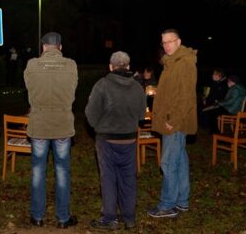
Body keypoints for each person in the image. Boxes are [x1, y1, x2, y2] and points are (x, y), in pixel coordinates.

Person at [85, 51, 146, 230]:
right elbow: (142, 115)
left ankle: (109, 218)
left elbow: (90, 113)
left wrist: (99, 127)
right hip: (129, 140)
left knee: (108, 178)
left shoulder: (102, 85)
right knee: (128, 179)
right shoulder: (137, 87)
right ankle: (129, 218)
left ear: (111, 67)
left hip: (107, 140)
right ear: (128, 66)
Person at [24, 32, 78, 229]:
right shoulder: (71, 65)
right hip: (62, 125)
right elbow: (73, 90)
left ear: (43, 47)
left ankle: (37, 216)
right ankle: (63, 218)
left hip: (39, 125)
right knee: (62, 171)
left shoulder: (32, 65)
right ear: (60, 47)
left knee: (38, 171)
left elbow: (29, 88)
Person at [147, 29, 197, 219]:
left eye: (170, 41)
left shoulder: (183, 63)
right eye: (164, 42)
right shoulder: (173, 62)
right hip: (173, 120)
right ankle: (182, 200)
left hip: (175, 122)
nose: (167, 45)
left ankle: (167, 205)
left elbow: (185, 96)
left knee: (168, 163)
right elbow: (174, 90)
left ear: (179, 41)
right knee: (180, 161)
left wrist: (172, 121)